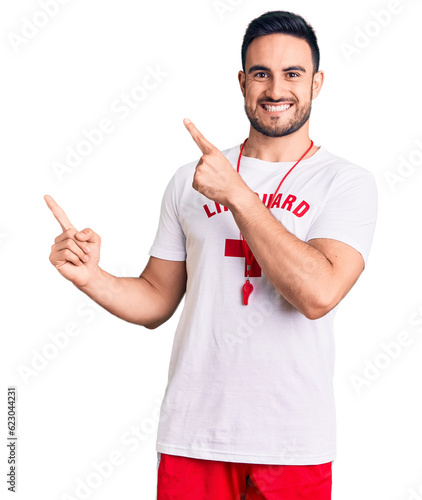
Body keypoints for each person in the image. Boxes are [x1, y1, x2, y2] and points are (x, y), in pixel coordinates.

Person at [45, 10, 378, 500]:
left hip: (292, 443)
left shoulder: (346, 182)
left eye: (293, 74)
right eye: (261, 73)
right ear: (243, 82)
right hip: (193, 435)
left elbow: (318, 293)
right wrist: (92, 277)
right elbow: (157, 300)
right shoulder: (190, 180)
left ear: (317, 83)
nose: (275, 88)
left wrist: (239, 196)